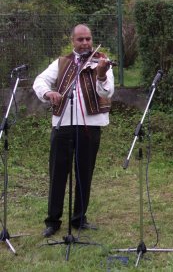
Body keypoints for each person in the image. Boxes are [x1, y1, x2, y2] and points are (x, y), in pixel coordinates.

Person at [33, 24, 115, 237]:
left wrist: (101, 75)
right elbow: (39, 81)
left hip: (90, 126)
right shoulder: (62, 62)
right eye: (81, 39)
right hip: (63, 124)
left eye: (88, 39)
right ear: (73, 41)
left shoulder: (102, 62)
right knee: (57, 173)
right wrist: (48, 92)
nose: (86, 43)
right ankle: (53, 220)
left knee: (84, 173)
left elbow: (107, 91)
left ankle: (79, 218)